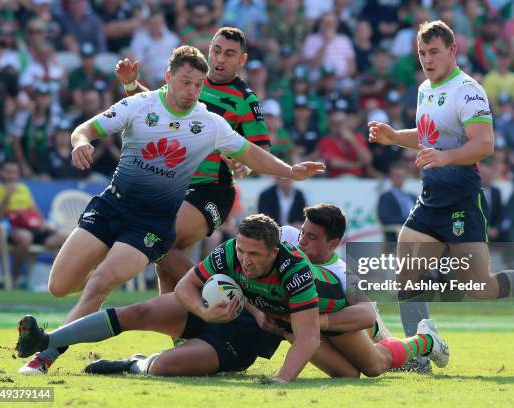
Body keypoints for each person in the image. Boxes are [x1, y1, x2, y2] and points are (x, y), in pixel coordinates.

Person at [18, 45, 324, 375]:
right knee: (60, 286)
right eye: (186, 83)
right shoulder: (140, 104)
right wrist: (80, 143)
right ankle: (93, 280)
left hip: (151, 223)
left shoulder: (210, 123)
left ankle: (44, 355)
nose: (193, 91)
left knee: (101, 283)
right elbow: (85, 129)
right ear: (168, 78)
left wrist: (290, 170)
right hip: (111, 205)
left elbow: (252, 154)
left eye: (199, 84)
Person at [15, 214, 448, 382]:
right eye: (241, 251)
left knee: (365, 369)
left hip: (290, 329)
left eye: (253, 255)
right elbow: (188, 283)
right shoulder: (236, 251)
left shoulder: (310, 272)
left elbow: (354, 317)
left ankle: (423, 340)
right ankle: (48, 343)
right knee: (140, 308)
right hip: (245, 317)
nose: (245, 259)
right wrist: (206, 308)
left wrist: (282, 376)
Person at [367, 20, 514, 341]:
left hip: (460, 200)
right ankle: (420, 352)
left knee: (482, 287)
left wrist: (444, 157)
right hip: (430, 198)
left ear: (453, 50)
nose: (427, 59)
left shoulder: (468, 90)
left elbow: (484, 144)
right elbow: (431, 136)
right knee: (407, 275)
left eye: (434, 52)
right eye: (422, 53)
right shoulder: (425, 89)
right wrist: (395, 136)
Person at [116, 27, 271, 295]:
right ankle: (182, 332)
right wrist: (131, 85)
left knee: (158, 240)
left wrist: (244, 165)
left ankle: (225, 297)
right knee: (165, 261)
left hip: (211, 189)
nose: (220, 59)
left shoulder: (245, 99)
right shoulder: (192, 79)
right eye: (217, 51)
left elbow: (262, 151)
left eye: (230, 54)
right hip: (173, 184)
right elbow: (155, 109)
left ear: (241, 60)